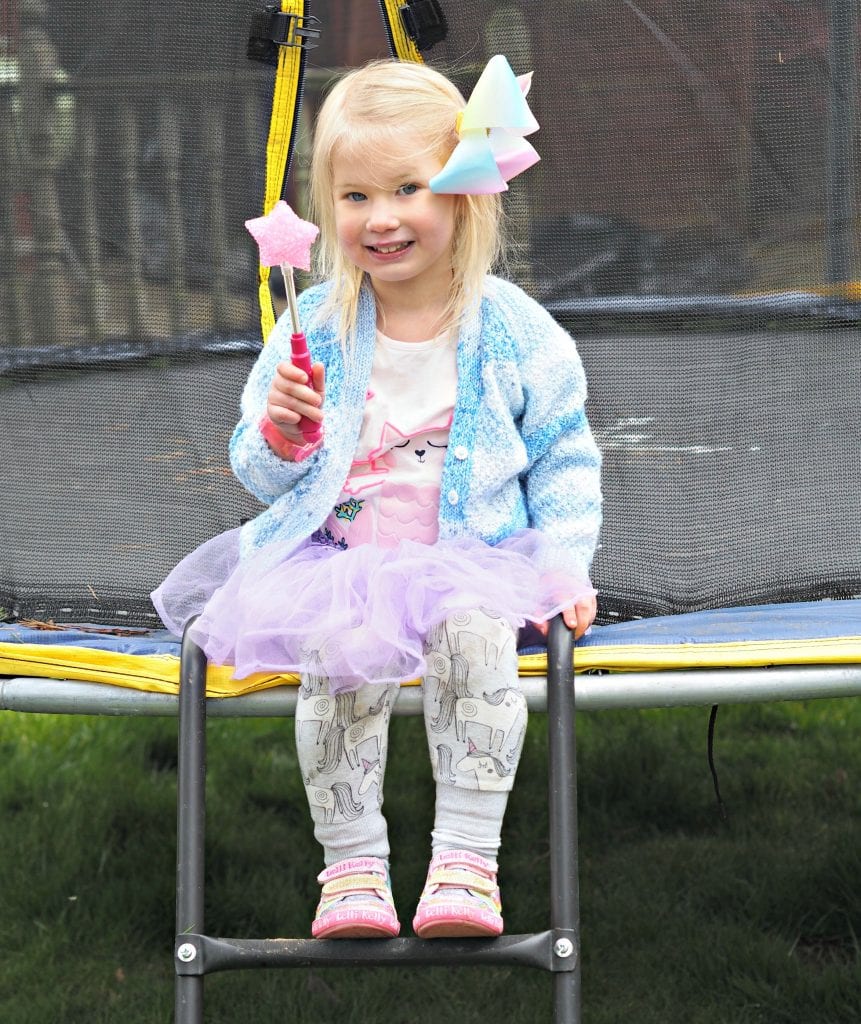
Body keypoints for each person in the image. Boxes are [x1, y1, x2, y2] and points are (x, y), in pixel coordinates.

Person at [153, 56, 602, 942]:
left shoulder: (511, 327)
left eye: (408, 188)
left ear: (465, 195)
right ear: (327, 213)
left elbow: (564, 457)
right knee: (339, 667)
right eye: (354, 196)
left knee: (475, 650)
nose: (382, 217)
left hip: (472, 560)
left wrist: (561, 563)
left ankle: (466, 863)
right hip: (338, 565)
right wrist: (284, 435)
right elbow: (258, 465)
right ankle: (350, 867)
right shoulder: (313, 325)